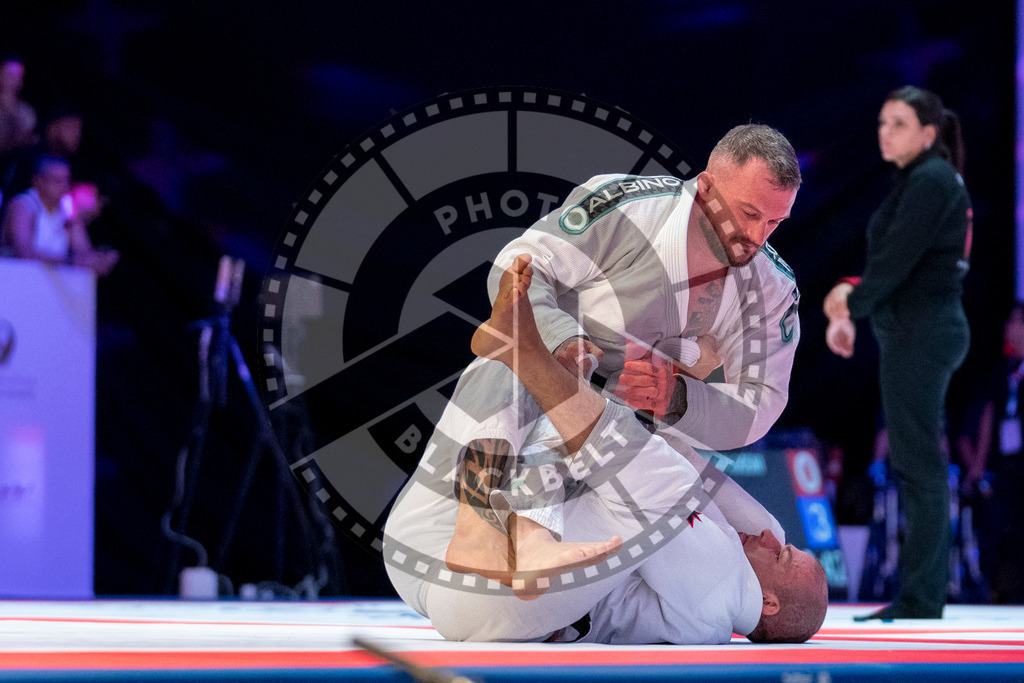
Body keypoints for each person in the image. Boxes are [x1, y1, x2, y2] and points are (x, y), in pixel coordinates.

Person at [384, 255, 828, 644]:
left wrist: (685, 365)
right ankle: (484, 519)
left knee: (659, 481)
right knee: (517, 364)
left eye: (782, 555)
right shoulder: (707, 595)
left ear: (769, 603)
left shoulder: (723, 587)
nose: (771, 539)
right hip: (445, 551)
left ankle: (526, 530)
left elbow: (661, 466)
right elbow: (678, 461)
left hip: (475, 588)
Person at [823, 86, 971, 620]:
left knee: (919, 465)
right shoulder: (925, 178)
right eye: (883, 121)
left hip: (922, 334)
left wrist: (849, 306)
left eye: (900, 123)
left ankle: (921, 596)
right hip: (921, 331)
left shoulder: (930, 180)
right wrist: (851, 300)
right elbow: (897, 262)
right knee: (917, 462)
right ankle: (921, 593)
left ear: (928, 133)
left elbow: (894, 263)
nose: (885, 132)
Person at [0, 155, 118, 275]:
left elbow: (82, 252)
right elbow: (23, 253)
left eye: (67, 180)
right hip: (17, 277)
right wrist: (70, 262)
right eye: (57, 181)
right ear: (37, 181)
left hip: (51, 281)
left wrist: (99, 258)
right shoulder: (24, 205)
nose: (63, 187)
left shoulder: (67, 208)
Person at [0, 56, 37, 156]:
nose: (13, 79)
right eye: (9, 74)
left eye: (18, 76)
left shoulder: (27, 111)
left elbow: (27, 140)